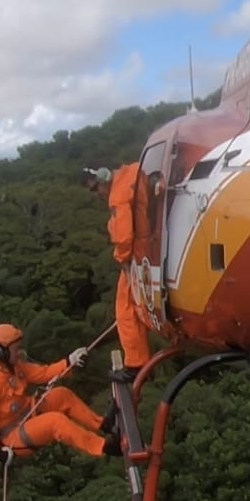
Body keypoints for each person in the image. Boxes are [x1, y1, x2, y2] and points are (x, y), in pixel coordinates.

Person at [0, 324, 118, 460]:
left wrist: (69, 361)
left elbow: (43, 373)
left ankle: (103, 424)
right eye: (15, 349)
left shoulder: (14, 366)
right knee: (55, 422)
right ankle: (104, 447)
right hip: (12, 435)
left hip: (28, 412)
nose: (19, 352)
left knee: (61, 394)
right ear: (0, 352)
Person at [83, 164, 151, 382]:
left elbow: (123, 237)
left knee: (125, 309)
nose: (97, 196)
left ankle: (136, 364)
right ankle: (140, 362)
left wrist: (122, 259)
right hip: (150, 247)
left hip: (138, 256)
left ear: (103, 178)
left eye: (95, 190)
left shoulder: (118, 196)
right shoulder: (131, 172)